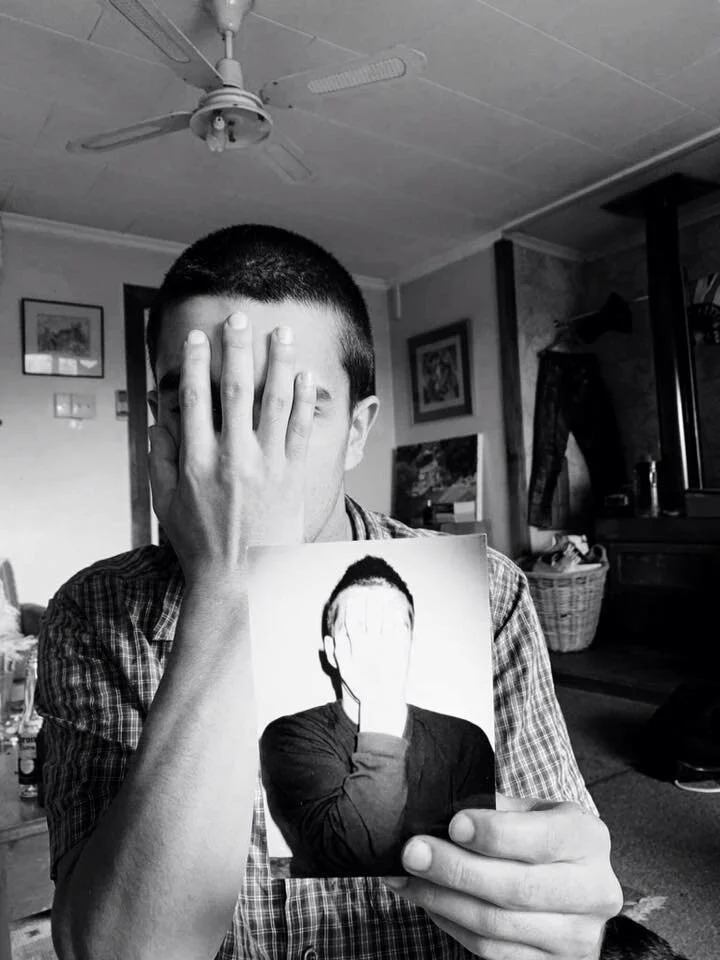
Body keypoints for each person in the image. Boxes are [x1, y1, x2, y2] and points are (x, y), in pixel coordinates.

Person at [35, 223, 685, 960]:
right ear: (159, 424)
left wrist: (562, 906)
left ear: (355, 431)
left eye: (289, 405)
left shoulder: (490, 592)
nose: (241, 452)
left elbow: (554, 879)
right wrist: (230, 583)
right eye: (194, 403)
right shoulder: (91, 613)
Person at [260, 554, 495, 878]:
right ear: (332, 651)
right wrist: (378, 697)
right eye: (357, 630)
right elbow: (352, 859)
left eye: (392, 630)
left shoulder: (465, 742)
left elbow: (477, 863)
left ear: (411, 644)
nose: (376, 647)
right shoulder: (287, 737)